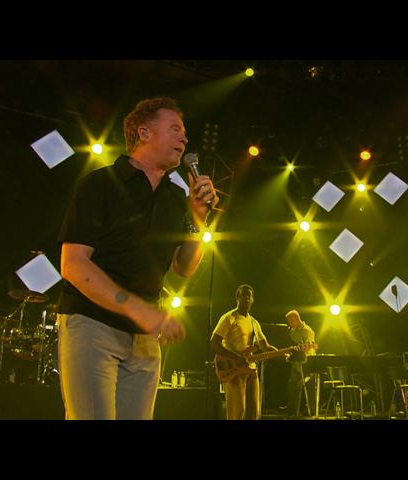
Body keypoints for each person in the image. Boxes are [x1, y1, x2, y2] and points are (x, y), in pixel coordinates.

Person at [57, 97, 219, 419]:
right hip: (93, 324)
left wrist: (198, 219)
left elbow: (185, 268)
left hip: (146, 337)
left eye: (184, 133)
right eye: (175, 129)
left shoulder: (176, 197)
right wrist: (139, 310)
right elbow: (73, 264)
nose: (185, 139)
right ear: (144, 132)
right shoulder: (100, 184)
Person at [210, 284, 278, 420]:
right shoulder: (229, 318)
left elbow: (265, 346)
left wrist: (285, 354)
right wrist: (236, 358)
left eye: (249, 295)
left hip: (251, 371)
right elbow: (214, 342)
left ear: (253, 300)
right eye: (243, 295)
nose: (247, 298)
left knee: (253, 413)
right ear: (237, 298)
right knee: (237, 412)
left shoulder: (254, 322)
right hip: (233, 371)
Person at [282, 309, 317, 417]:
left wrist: (299, 349)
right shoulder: (292, 331)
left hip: (307, 362)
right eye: (288, 321)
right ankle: (292, 410)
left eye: (291, 321)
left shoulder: (307, 331)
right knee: (292, 385)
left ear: (297, 318)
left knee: (309, 387)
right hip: (296, 362)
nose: (289, 323)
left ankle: (311, 410)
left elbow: (310, 346)